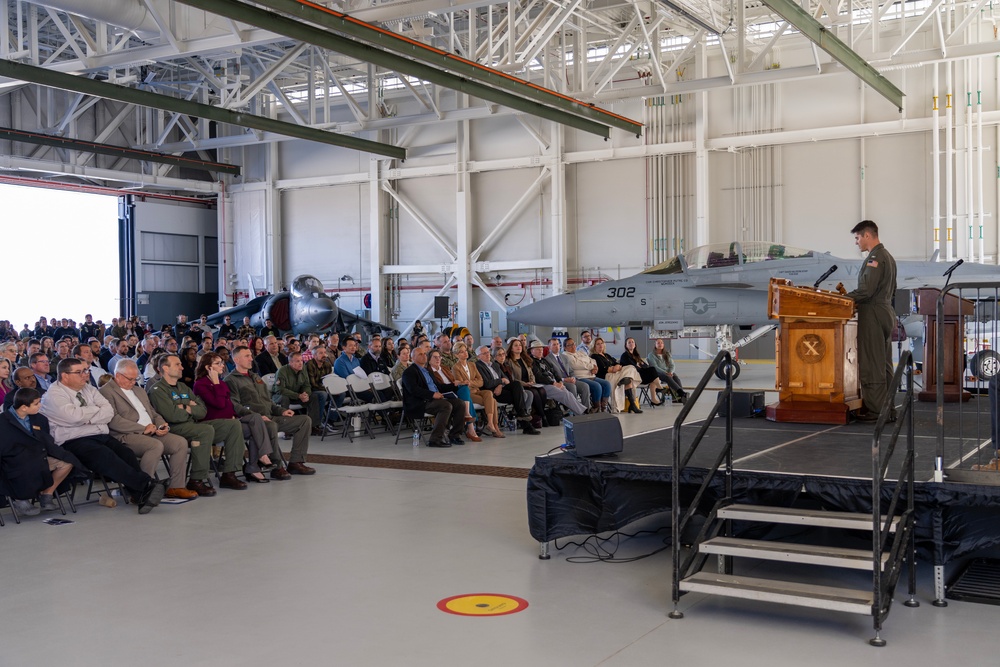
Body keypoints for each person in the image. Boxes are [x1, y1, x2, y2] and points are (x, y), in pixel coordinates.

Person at [40, 358, 167, 513]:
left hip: (98, 435)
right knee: (106, 456)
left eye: (86, 371)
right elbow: (74, 416)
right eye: (79, 372)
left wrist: (85, 417)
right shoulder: (53, 395)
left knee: (125, 453)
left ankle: (142, 495)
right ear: (65, 376)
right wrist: (94, 412)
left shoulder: (89, 389)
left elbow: (108, 412)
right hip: (73, 440)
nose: (85, 375)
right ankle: (147, 485)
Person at [147, 354, 247, 493]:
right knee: (204, 430)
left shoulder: (183, 387)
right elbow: (172, 415)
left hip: (192, 424)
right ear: (165, 368)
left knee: (233, 425)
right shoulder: (158, 390)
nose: (182, 367)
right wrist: (190, 406)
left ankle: (229, 474)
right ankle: (196, 479)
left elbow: (202, 411)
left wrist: (184, 407)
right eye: (177, 365)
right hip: (173, 428)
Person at [99, 360, 196, 499]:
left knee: (180, 443)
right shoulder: (105, 392)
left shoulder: (138, 390)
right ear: (118, 376)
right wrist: (143, 429)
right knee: (154, 446)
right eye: (130, 379)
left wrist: (162, 425)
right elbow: (114, 420)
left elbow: (153, 412)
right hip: (126, 435)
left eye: (136, 378)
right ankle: (143, 489)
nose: (133, 382)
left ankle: (176, 487)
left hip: (151, 430)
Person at [225, 346, 315, 476]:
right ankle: (276, 467)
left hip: (270, 416)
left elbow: (268, 401)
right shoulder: (231, 380)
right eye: (247, 356)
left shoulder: (256, 377)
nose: (251, 358)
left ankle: (296, 462)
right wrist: (256, 416)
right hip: (255, 421)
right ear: (237, 359)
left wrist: (281, 411)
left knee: (304, 421)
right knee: (271, 425)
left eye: (251, 355)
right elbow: (235, 406)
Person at [193, 353, 275, 483]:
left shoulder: (221, 383)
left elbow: (229, 405)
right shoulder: (200, 384)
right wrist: (215, 383)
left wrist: (235, 415)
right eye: (217, 363)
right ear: (208, 367)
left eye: (222, 362)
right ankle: (258, 461)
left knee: (255, 419)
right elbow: (219, 404)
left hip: (231, 420)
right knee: (255, 427)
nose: (222, 365)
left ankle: (258, 461)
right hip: (214, 424)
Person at [846, 220, 898, 421]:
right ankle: (888, 408)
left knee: (871, 363)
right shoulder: (888, 257)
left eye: (857, 238)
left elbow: (866, 290)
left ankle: (877, 411)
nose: (856, 242)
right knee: (884, 364)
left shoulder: (875, 258)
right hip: (885, 310)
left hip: (873, 312)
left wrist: (843, 299)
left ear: (867, 235)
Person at [0, 388, 80, 515]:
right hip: (13, 462)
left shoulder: (40, 419)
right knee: (25, 465)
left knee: (67, 462)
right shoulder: (3, 421)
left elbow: (47, 441)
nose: (40, 405)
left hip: (38, 457)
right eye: (36, 404)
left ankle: (47, 493)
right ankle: (21, 498)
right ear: (24, 407)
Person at [400, 346, 467, 448]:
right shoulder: (409, 372)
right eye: (420, 354)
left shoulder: (427, 371)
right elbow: (413, 390)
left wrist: (454, 385)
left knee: (460, 403)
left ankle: (454, 435)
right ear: (412, 358)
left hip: (435, 399)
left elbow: (439, 387)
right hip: (420, 402)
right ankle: (435, 439)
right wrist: (432, 394)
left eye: (424, 354)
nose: (424, 356)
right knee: (445, 405)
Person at [475, 345, 538, 435]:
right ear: (478, 356)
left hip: (501, 388)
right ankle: (524, 420)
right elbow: (487, 383)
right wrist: (501, 381)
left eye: (488, 352)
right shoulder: (478, 366)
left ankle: (521, 415)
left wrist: (500, 384)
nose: (487, 354)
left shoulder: (494, 364)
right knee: (520, 397)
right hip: (492, 392)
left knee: (516, 384)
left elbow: (506, 380)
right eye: (484, 353)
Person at [451, 342, 503, 438]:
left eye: (465, 351)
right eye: (461, 352)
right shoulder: (456, 367)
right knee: (493, 401)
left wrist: (470, 382)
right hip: (468, 393)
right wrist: (471, 382)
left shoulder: (472, 365)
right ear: (456, 355)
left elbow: (481, 381)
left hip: (477, 390)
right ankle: (494, 426)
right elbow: (462, 383)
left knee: (488, 393)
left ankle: (491, 423)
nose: (465, 353)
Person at [427, 349, 480, 441]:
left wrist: (459, 382)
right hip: (443, 393)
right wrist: (455, 384)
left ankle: (468, 419)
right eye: (435, 357)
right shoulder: (429, 371)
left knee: (465, 390)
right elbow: (438, 387)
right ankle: (470, 427)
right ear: (429, 359)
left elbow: (452, 380)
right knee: (465, 394)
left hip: (453, 390)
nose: (438, 359)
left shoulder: (444, 368)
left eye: (439, 357)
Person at [527, 340, 587, 415]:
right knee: (564, 395)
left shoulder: (543, 360)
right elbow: (539, 377)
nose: (540, 351)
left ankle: (579, 413)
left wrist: (559, 381)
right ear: (532, 351)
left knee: (569, 394)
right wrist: (553, 383)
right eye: (537, 349)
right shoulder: (531, 362)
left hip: (553, 382)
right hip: (543, 385)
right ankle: (582, 413)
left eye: (541, 349)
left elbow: (554, 372)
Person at [502, 338, 546, 428]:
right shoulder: (508, 361)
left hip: (529, 383)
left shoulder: (525, 359)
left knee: (542, 391)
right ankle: (541, 416)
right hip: (519, 385)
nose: (519, 347)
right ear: (511, 348)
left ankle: (535, 415)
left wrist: (532, 381)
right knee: (534, 393)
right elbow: (512, 378)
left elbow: (530, 372)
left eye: (520, 345)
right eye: (516, 345)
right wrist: (525, 384)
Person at [591, 337, 642, 413]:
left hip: (616, 372)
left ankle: (625, 381)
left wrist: (617, 367)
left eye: (601, 343)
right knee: (629, 380)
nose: (600, 345)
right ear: (594, 346)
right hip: (607, 376)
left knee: (631, 368)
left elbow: (617, 363)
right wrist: (612, 368)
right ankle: (632, 404)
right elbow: (603, 369)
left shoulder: (606, 355)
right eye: (598, 344)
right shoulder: (594, 356)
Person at [541, 338, 593, 412]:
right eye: (554, 345)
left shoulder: (564, 357)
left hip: (570, 379)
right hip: (560, 381)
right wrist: (564, 380)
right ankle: (575, 411)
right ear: (549, 347)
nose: (557, 346)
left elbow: (571, 371)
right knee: (572, 387)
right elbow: (552, 375)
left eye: (558, 344)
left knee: (585, 386)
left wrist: (573, 378)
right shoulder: (547, 359)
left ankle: (585, 410)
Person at [561, 338, 611, 412]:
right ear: (565, 348)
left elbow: (592, 360)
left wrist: (595, 367)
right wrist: (591, 366)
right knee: (597, 386)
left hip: (591, 375)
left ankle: (604, 406)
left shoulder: (580, 352)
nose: (573, 346)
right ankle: (596, 407)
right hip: (580, 377)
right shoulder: (566, 355)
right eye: (569, 345)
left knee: (607, 384)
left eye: (573, 344)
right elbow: (576, 365)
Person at [619, 337, 665, 405]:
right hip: (634, 377)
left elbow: (645, 365)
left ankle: (654, 399)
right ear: (626, 345)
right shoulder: (625, 355)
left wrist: (640, 365)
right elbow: (632, 367)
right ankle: (659, 387)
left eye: (633, 342)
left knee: (653, 377)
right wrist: (639, 365)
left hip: (640, 374)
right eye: (629, 342)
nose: (631, 344)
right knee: (652, 370)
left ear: (635, 344)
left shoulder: (636, 355)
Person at [647, 338, 687, 403]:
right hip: (657, 373)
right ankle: (681, 392)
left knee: (675, 377)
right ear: (655, 345)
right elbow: (654, 367)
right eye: (658, 343)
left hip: (668, 372)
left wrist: (671, 372)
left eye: (662, 343)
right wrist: (666, 373)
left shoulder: (667, 354)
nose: (660, 344)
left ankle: (680, 396)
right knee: (667, 377)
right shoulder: (651, 355)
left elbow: (672, 365)